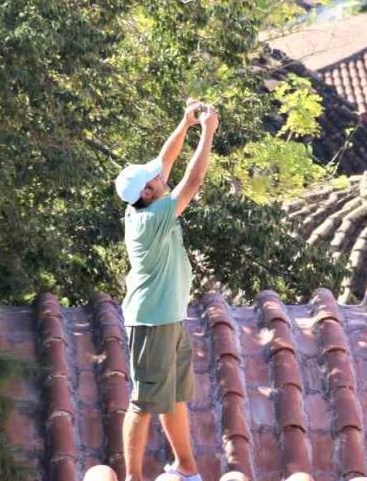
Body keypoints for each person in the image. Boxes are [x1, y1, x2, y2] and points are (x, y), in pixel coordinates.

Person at [112, 99, 219, 481]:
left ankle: (187, 467)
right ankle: (133, 478)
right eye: (154, 180)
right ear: (147, 193)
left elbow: (165, 160)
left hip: (168, 317)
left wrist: (185, 123)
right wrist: (208, 131)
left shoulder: (143, 201)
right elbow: (193, 181)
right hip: (151, 321)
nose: (161, 176)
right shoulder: (153, 217)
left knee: (173, 396)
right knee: (142, 403)